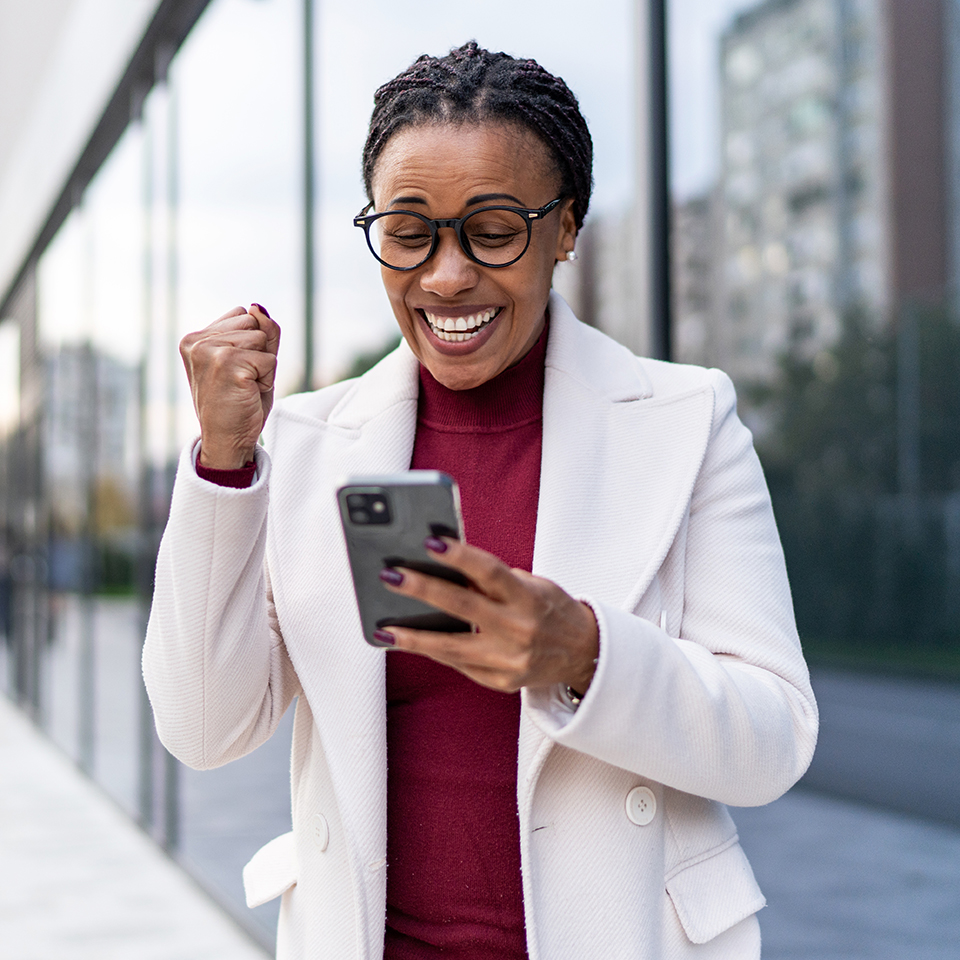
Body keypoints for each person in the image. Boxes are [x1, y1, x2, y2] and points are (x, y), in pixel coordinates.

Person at [143, 41, 818, 960]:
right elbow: (204, 729)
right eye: (409, 232)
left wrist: (584, 652)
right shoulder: (304, 444)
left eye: (494, 230)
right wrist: (225, 464)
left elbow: (772, 740)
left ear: (566, 226)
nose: (447, 277)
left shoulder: (686, 421)